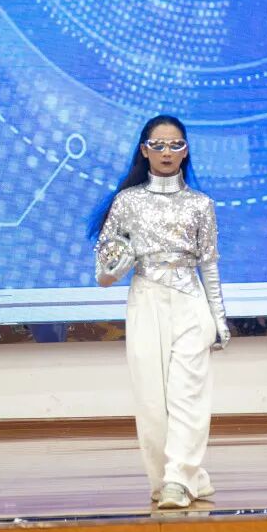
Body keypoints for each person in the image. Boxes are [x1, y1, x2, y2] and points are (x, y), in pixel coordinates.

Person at [90, 114, 230, 508]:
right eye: (158, 145)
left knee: (188, 394)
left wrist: (219, 319)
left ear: (186, 151)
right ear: (144, 150)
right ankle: (173, 477)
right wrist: (120, 263)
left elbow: (209, 265)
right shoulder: (126, 202)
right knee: (152, 400)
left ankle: (178, 480)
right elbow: (103, 272)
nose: (167, 152)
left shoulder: (201, 204)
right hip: (146, 299)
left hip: (190, 302)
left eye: (175, 145)